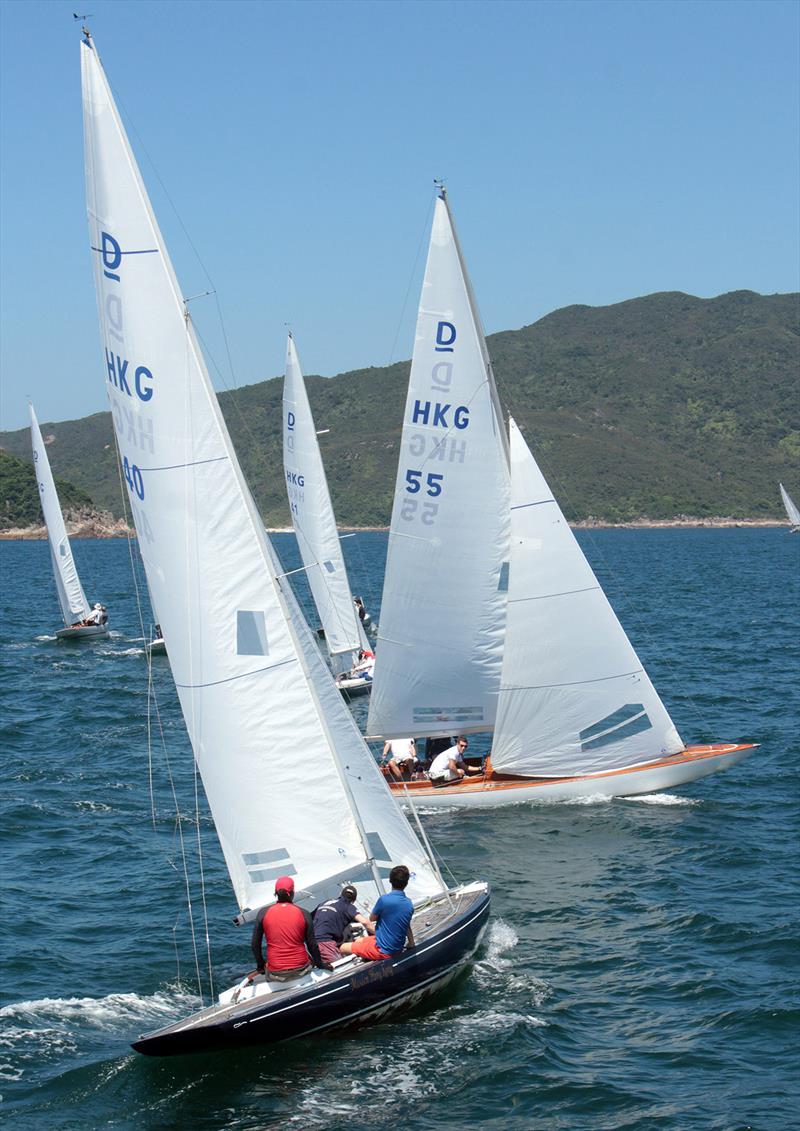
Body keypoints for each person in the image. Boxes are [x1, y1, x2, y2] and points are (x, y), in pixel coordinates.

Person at [250, 875, 333, 981]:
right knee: (309, 958)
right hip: (301, 970)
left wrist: (260, 966)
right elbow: (312, 945)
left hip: (275, 973)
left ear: (276, 893)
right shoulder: (304, 913)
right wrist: (321, 965)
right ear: (292, 893)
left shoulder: (263, 913)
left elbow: (255, 945)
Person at [339, 865, 414, 962]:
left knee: (343, 947)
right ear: (406, 883)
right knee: (360, 940)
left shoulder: (384, 900)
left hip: (383, 950)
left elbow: (372, 918)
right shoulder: (409, 903)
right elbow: (406, 925)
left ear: (390, 880)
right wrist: (411, 943)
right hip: (396, 947)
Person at [312, 884, 375, 964]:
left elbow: (309, 918)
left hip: (311, 942)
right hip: (325, 942)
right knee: (341, 966)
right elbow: (365, 922)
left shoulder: (325, 903)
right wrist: (380, 935)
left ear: (340, 894)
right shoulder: (347, 906)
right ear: (353, 901)